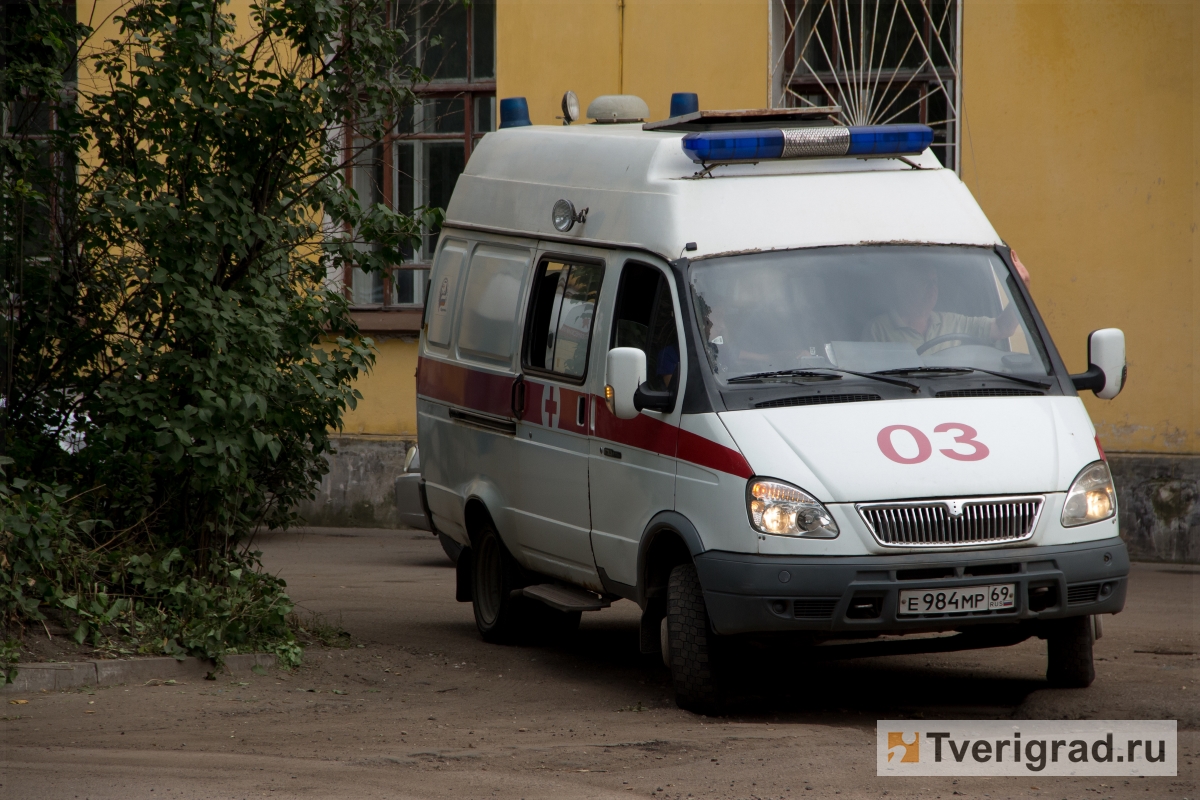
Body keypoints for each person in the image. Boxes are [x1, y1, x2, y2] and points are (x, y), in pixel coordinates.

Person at [863, 264, 1020, 354]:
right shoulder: (878, 329)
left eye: (935, 282)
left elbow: (1002, 328)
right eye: (925, 282)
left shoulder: (951, 321)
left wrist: (1019, 288)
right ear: (904, 286)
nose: (933, 288)